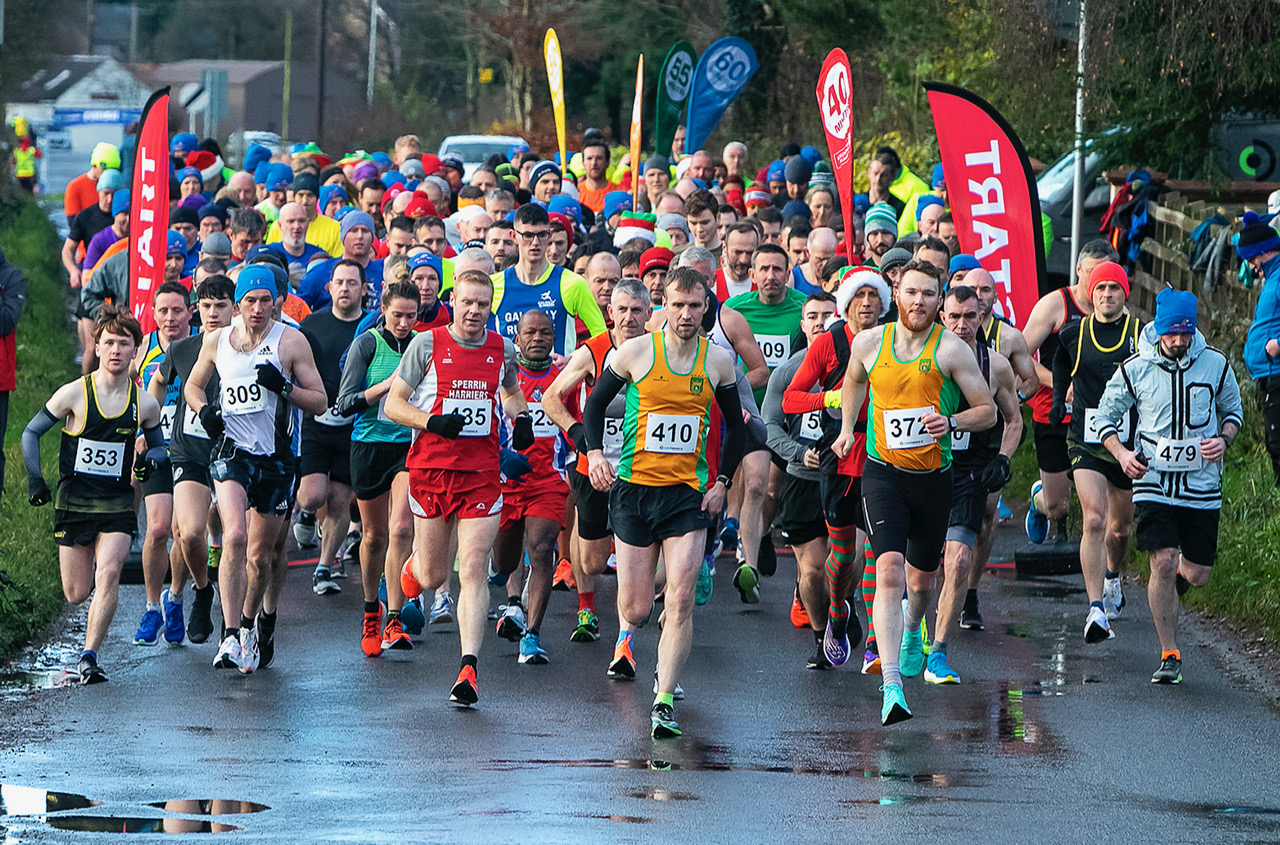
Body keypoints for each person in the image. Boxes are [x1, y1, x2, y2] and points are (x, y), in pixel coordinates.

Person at [579, 267, 746, 739]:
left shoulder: (717, 363)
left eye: (696, 306)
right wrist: (594, 453)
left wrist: (723, 483)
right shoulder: (634, 352)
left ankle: (664, 697)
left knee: (680, 596)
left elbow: (736, 427)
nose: (687, 314)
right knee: (635, 610)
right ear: (663, 307)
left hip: (686, 497)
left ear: (705, 307)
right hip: (633, 492)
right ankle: (639, 640)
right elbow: (593, 407)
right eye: (678, 305)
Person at [832, 260, 996, 725]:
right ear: (896, 295)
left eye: (928, 294)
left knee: (921, 584)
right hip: (883, 474)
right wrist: (847, 428)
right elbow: (854, 380)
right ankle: (891, 686)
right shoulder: (869, 343)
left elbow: (986, 411)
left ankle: (910, 631)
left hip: (933, 479)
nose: (919, 301)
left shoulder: (950, 351)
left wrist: (952, 422)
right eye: (911, 292)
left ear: (939, 301)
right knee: (888, 571)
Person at [386, 270, 533, 704]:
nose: (474, 311)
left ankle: (468, 667)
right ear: (454, 301)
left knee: (471, 566)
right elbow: (394, 404)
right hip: (431, 470)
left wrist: (519, 418)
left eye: (482, 305)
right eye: (466, 303)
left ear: (491, 307)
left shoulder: (502, 349)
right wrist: (431, 422)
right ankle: (413, 570)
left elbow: (510, 392)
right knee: (433, 574)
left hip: (481, 473)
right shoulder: (427, 344)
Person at [183, 266, 328, 674]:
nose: (259, 308)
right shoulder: (218, 340)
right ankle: (229, 634)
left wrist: (284, 387)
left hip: (278, 457)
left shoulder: (291, 342)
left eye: (266, 300)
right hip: (232, 451)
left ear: (277, 302)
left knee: (262, 557)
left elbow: (319, 401)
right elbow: (194, 385)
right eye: (251, 301)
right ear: (238, 305)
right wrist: (204, 412)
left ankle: (255, 622)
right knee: (235, 536)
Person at [1096, 288, 1242, 684]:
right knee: (1160, 559)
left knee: (1196, 574)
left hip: (1202, 484)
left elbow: (1233, 412)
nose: (1179, 341)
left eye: (1186, 332)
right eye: (1172, 333)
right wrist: (1123, 454)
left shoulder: (1216, 365)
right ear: (1158, 329)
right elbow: (1105, 418)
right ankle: (1169, 652)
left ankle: (1175, 583)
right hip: (1153, 481)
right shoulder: (1135, 368)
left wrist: (1224, 440)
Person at [23, 306, 165, 684]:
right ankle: (87, 639)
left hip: (117, 504)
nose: (116, 350)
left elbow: (159, 449)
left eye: (124, 343)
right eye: (109, 343)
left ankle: (89, 657)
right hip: (74, 503)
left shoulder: (145, 404)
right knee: (75, 592)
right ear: (97, 347)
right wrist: (36, 479)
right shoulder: (74, 393)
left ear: (136, 350)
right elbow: (30, 433)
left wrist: (148, 463)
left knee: (111, 572)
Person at [784, 267, 887, 674]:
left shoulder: (896, 339)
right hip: (840, 456)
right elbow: (792, 399)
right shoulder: (828, 344)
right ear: (844, 304)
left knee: (883, 553)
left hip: (886, 455)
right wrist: (830, 398)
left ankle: (879, 642)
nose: (866, 303)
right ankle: (838, 611)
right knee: (842, 557)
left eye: (873, 296)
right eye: (858, 296)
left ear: (883, 303)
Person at [544, 278, 653, 651]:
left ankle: (626, 637)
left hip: (642, 468)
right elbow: (551, 397)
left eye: (636, 311)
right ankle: (586, 604)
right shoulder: (594, 350)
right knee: (591, 561)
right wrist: (580, 437)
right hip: (594, 462)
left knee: (631, 546)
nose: (628, 318)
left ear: (649, 313)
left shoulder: (659, 349)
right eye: (621, 310)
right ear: (610, 313)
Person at [933, 285, 1021, 683]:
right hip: (921, 467)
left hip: (969, 471)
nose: (963, 325)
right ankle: (917, 623)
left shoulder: (996, 364)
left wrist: (1003, 458)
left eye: (971, 316)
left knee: (959, 560)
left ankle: (938, 651)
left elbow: (1014, 420)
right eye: (954, 317)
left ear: (982, 316)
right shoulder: (921, 357)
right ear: (941, 315)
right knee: (919, 568)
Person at [1050, 261, 1143, 641]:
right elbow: (1058, 360)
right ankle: (1095, 610)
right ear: (1091, 293)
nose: (1107, 295)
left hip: (1129, 444)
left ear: (1126, 294)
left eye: (1114, 289)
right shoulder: (1075, 332)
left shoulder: (1142, 334)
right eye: (1101, 289)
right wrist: (1058, 398)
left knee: (1119, 530)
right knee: (1093, 519)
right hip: (1085, 438)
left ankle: (1111, 576)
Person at [147, 276, 236, 646]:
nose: (213, 313)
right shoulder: (183, 349)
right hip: (189, 451)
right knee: (189, 532)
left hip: (236, 452)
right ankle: (203, 590)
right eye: (206, 305)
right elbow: (155, 385)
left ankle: (242, 622)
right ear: (197, 309)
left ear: (235, 307)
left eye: (221, 306)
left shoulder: (251, 348)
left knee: (239, 539)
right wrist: (146, 430)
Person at [335, 282, 421, 656]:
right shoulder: (367, 344)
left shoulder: (423, 345)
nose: (403, 323)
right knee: (374, 536)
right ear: (383, 310)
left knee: (402, 527)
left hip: (408, 446)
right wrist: (388, 386)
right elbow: (344, 403)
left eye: (411, 316)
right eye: (397, 315)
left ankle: (395, 617)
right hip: (369, 444)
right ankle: (372, 608)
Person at [489, 310, 574, 664]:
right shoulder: (504, 382)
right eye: (530, 332)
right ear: (518, 339)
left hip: (548, 482)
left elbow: (577, 426)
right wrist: (499, 459)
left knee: (541, 550)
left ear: (554, 338)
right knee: (505, 560)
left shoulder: (564, 380)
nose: (538, 338)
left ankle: (532, 636)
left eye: (545, 332)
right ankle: (510, 599)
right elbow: (486, 429)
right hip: (507, 482)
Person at [724, 244, 808, 597]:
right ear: (751, 275)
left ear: (788, 274)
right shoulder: (733, 311)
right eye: (764, 269)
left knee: (772, 489)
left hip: (789, 416)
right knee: (755, 485)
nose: (771, 276)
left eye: (778, 269)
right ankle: (750, 564)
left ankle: (759, 533)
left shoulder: (804, 308)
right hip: (745, 411)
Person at [1022, 239, 1119, 543]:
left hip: (1098, 415)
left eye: (1106, 274)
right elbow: (1021, 356)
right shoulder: (1056, 304)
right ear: (1078, 270)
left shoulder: (1118, 308)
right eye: (1091, 272)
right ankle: (1040, 501)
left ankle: (1102, 564)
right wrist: (1058, 384)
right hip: (1054, 409)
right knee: (1056, 505)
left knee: (1100, 503)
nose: (1098, 282)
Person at [763, 291, 836, 668]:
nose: (821, 321)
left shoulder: (860, 364)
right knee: (811, 570)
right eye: (813, 316)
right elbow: (769, 425)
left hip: (848, 478)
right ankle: (822, 637)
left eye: (829, 314)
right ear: (803, 324)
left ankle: (843, 609)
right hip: (802, 479)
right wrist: (795, 451)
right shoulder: (788, 373)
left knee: (845, 564)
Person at [295, 261, 367, 596]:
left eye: (352, 283)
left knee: (340, 500)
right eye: (339, 282)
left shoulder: (371, 326)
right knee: (313, 494)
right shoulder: (312, 324)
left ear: (363, 289)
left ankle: (324, 567)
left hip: (352, 425)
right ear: (329, 287)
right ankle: (307, 514)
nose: (345, 289)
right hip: (316, 422)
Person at [131, 282, 196, 646]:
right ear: (153, 314)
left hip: (192, 449)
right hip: (155, 448)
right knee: (157, 531)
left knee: (183, 532)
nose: (170, 318)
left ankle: (175, 598)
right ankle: (152, 606)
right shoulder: (143, 348)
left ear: (190, 312)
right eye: (163, 311)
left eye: (177, 310)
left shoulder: (203, 345)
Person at [491, 204, 606, 357]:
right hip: (512, 379)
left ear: (550, 234)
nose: (535, 242)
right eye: (528, 235)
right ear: (514, 237)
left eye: (542, 234)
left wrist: (572, 359)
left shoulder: (572, 283)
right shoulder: (494, 285)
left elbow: (601, 337)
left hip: (558, 378)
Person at [1238, 212, 1280, 486]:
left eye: (1251, 259)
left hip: (1277, 371)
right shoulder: (1272, 277)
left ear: (1264, 252)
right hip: (1269, 372)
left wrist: (1276, 346)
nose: (1251, 267)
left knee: (1278, 443)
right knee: (1274, 444)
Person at [298, 211, 384, 311]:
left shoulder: (383, 273)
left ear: (372, 237)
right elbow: (299, 307)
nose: (359, 236)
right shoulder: (321, 272)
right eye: (353, 230)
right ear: (343, 236)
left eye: (365, 231)